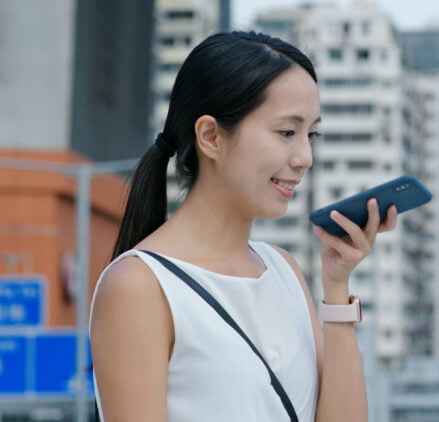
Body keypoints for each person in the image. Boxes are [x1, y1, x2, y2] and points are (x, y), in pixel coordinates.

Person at [89, 31, 397, 421]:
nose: (305, 157)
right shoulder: (139, 286)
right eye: (287, 132)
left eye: (311, 134)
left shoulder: (283, 270)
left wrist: (337, 289)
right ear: (211, 136)